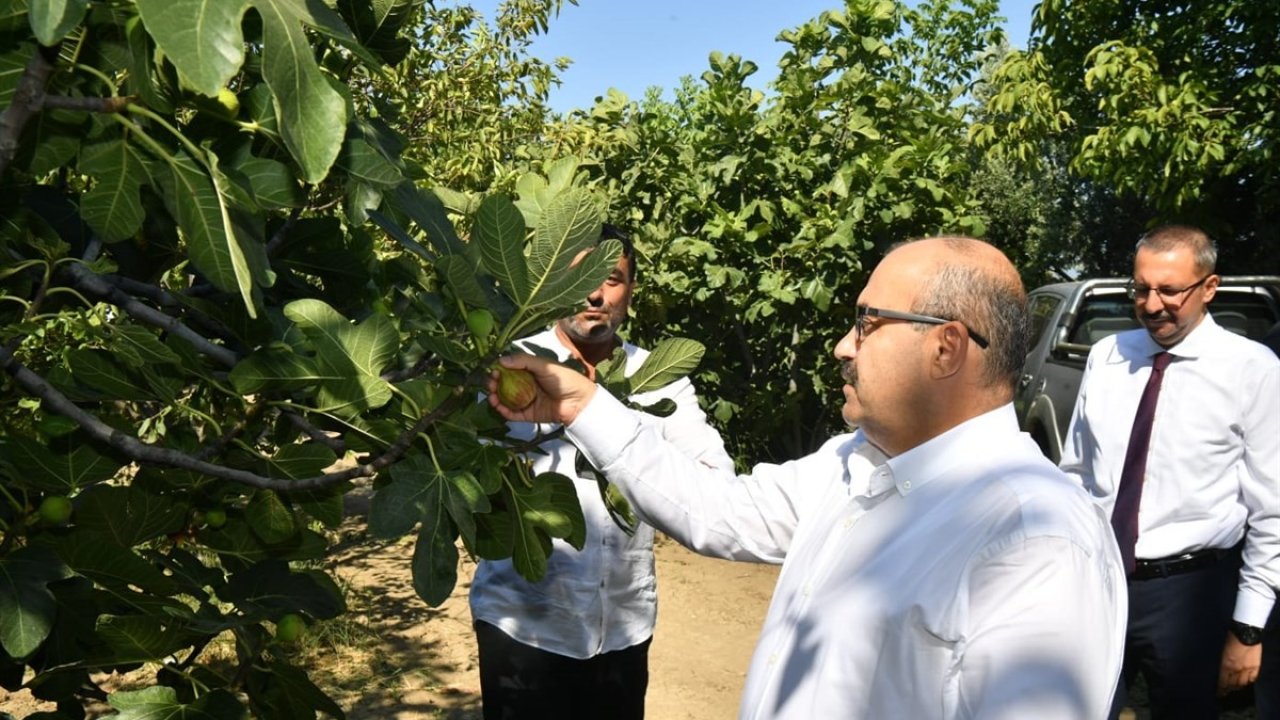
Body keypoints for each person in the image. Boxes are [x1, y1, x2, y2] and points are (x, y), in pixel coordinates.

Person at [489, 236, 1127, 719]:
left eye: (867, 323)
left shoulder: (1035, 539)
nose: (843, 347)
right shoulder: (854, 464)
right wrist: (581, 406)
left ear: (946, 348)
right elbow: (717, 510)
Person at [468, 223, 734, 720]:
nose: (595, 292)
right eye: (580, 278)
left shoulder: (659, 379)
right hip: (523, 622)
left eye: (611, 278)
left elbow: (714, 477)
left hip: (624, 627)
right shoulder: (510, 366)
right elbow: (466, 472)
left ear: (630, 291)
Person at [1059, 225, 1280, 719]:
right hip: (1100, 582)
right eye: (1141, 289)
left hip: (1190, 600)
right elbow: (1074, 473)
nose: (1152, 304)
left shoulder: (1252, 369)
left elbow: (1273, 510)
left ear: (1209, 288)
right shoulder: (1108, 357)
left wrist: (1247, 628)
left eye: (1170, 290)